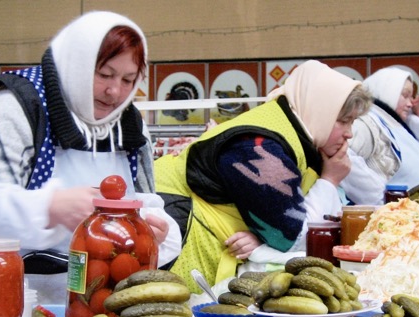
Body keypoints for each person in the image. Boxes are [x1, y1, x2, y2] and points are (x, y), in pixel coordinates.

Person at [0, 11, 181, 301]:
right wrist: (50, 207)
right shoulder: (15, 107)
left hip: (99, 303)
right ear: (77, 64)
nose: (115, 92)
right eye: (105, 74)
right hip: (6, 295)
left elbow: (145, 200)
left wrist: (152, 230)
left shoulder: (130, 126)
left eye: (128, 79)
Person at [154, 60, 372, 292]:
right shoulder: (258, 147)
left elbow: (282, 225)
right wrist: (330, 181)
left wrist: (265, 235)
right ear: (319, 112)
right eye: (343, 121)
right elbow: (291, 235)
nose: (349, 133)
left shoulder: (294, 138)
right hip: (179, 245)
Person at [340, 66, 419, 205]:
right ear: (388, 91)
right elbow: (343, 157)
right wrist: (383, 199)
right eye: (405, 95)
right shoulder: (367, 123)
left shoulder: (394, 124)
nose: (410, 103)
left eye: (412, 97)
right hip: (389, 218)